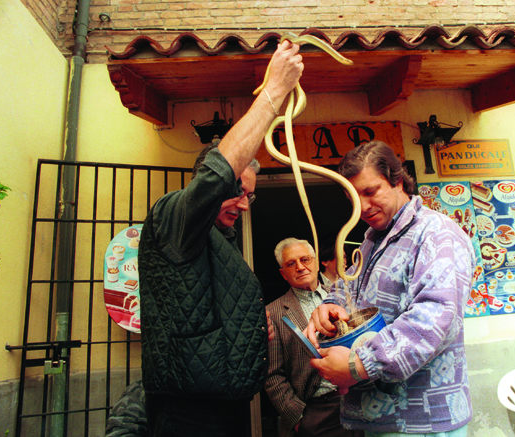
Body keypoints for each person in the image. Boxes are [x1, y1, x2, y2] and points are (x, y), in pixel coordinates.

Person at [138, 40, 304, 437]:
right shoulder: (174, 216)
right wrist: (274, 93)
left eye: (250, 194)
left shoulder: (220, 237)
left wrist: (247, 326)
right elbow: (216, 175)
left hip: (224, 406)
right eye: (236, 191)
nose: (244, 204)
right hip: (190, 415)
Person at [305, 140, 475, 436]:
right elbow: (351, 290)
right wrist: (330, 306)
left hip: (421, 422)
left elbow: (435, 318)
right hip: (382, 417)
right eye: (354, 198)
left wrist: (360, 364)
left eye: (371, 192)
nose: (364, 207)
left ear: (398, 181)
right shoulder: (372, 239)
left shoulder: (436, 234)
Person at [264, 238, 363, 437]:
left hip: (359, 401)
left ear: (317, 263)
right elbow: (272, 374)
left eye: (305, 260)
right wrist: (299, 418)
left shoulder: (342, 297)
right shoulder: (272, 313)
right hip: (317, 412)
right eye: (291, 264)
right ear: (283, 274)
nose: (300, 267)